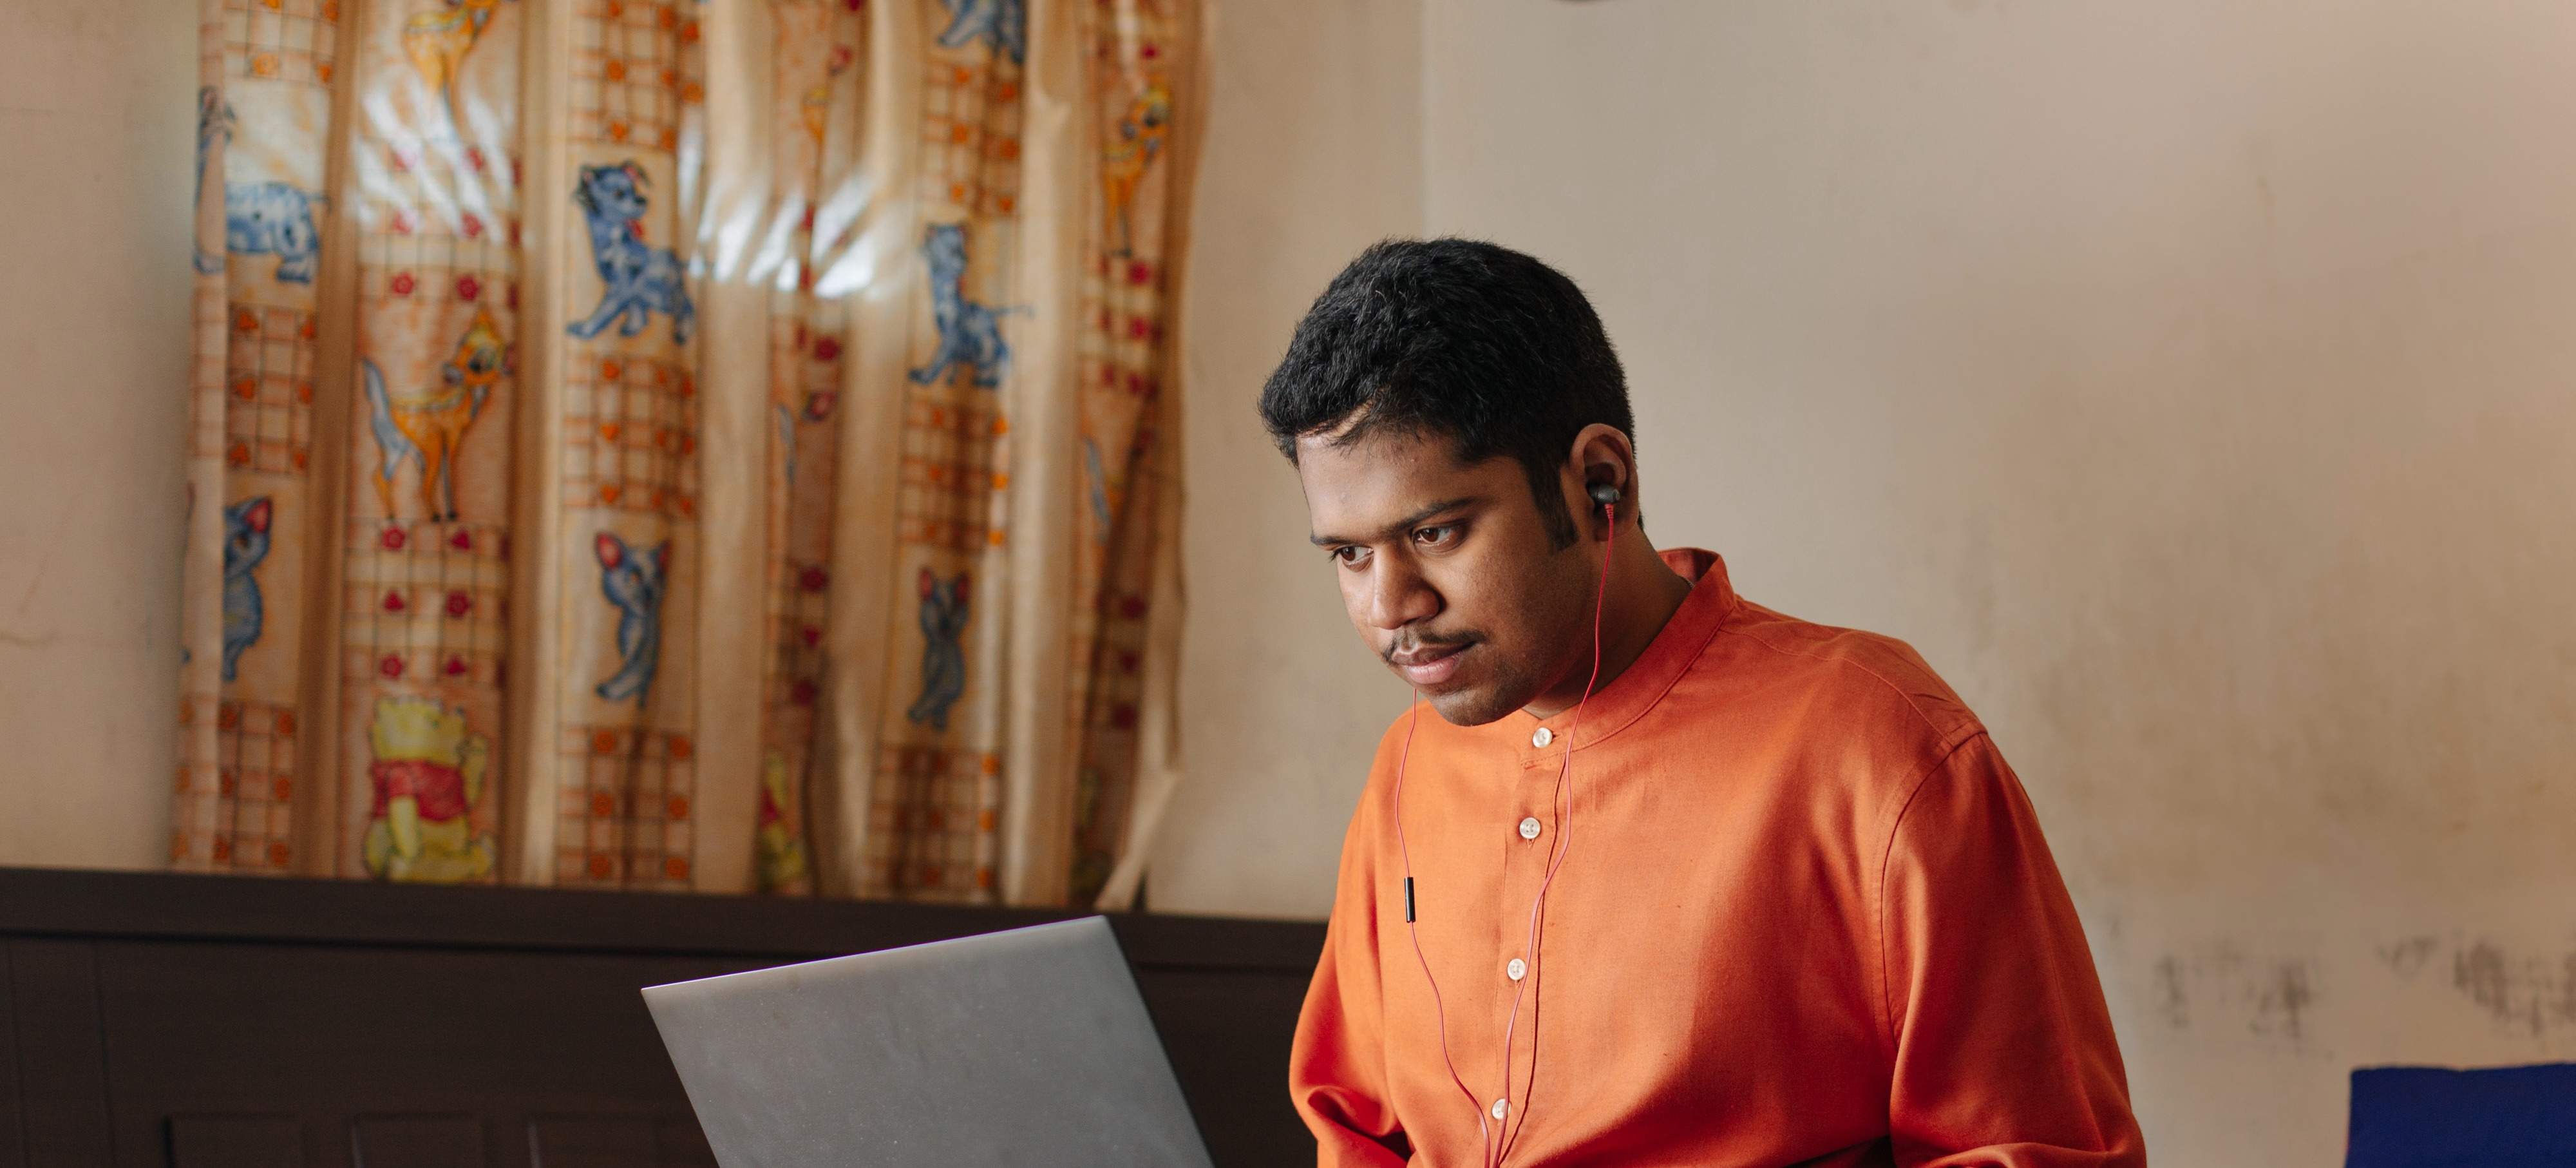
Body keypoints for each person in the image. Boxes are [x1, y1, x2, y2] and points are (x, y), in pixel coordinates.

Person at [1265, 239, 2145, 1167]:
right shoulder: (1409, 765)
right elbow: (1355, 1129)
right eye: (1348, 555)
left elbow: (2039, 1149)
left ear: (1603, 480)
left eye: (1435, 531)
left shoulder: (1880, 749)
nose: (1389, 605)